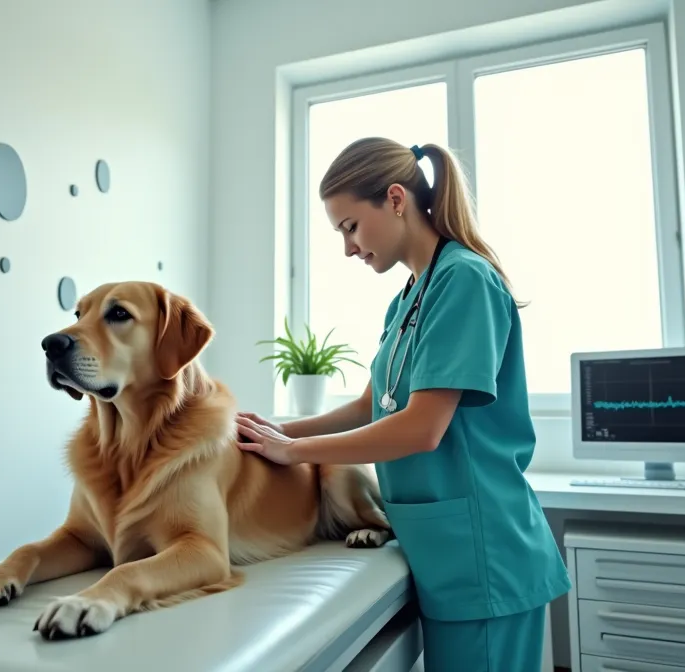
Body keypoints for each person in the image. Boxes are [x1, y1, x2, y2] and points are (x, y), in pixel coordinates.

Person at [235, 137, 571, 671]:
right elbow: (374, 405)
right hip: (445, 550)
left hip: (483, 554)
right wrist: (276, 433)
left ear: (395, 199)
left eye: (350, 227)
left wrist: (295, 454)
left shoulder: (464, 278)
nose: (347, 248)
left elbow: (420, 429)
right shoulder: (410, 293)